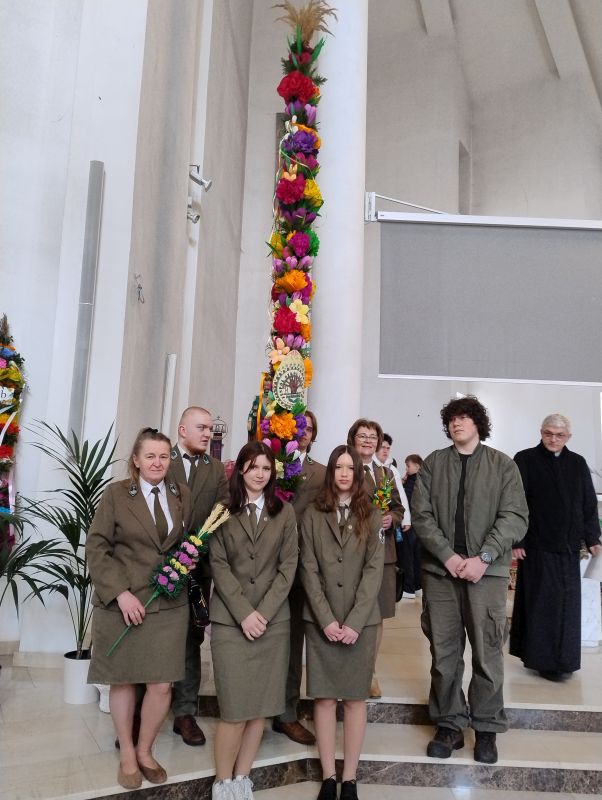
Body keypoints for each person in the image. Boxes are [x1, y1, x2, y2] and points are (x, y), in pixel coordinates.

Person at [412, 396, 528, 765]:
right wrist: (447, 555)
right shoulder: (433, 464)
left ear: (478, 423)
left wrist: (485, 557)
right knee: (444, 653)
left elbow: (514, 517)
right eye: (452, 419)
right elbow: (421, 515)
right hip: (440, 573)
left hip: (486, 574)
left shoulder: (502, 466)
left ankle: (487, 727)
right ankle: (449, 724)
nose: (456, 424)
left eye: (464, 417)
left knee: (487, 652)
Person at [87, 428, 191, 790]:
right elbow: (97, 547)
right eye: (150, 456)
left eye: (163, 456)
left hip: (168, 603)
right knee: (125, 679)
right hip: (126, 603)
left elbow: (183, 543)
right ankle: (128, 754)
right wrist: (120, 593)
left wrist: (186, 561)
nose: (158, 463)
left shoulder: (181, 494)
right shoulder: (117, 494)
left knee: (162, 685)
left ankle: (145, 750)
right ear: (136, 459)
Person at [209, 441, 298, 800]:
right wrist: (245, 613)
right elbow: (218, 565)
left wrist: (263, 613)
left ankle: (242, 777)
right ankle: (222, 782)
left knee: (259, 707)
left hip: (272, 622)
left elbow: (288, 566)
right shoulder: (222, 510)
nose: (260, 473)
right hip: (231, 621)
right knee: (234, 709)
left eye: (266, 468)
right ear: (241, 469)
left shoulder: (284, 512)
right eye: (253, 466)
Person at [300, 445, 384, 800]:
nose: (345, 473)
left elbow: (373, 570)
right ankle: (328, 776)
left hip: (359, 623)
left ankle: (349, 778)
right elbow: (308, 568)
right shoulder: (312, 514)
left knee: (353, 700)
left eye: (351, 467)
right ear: (331, 472)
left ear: (358, 473)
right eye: (339, 467)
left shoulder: (371, 514)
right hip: (322, 621)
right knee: (323, 699)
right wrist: (326, 619)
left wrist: (354, 622)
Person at [510, 413, 602, 680]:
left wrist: (593, 538)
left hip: (568, 548)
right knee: (541, 605)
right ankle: (543, 661)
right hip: (536, 547)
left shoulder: (578, 463)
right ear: (541, 432)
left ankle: (565, 661)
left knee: (567, 606)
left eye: (559, 435)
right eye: (548, 433)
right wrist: (517, 539)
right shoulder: (525, 459)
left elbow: (587, 503)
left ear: (568, 437)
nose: (553, 439)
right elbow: (515, 502)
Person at [169, 406, 229, 746]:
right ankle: (143, 709)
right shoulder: (162, 461)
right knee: (157, 633)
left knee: (192, 637)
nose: (208, 433)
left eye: (209, 428)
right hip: (162, 567)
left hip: (197, 570)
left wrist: (196, 550)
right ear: (182, 429)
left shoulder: (216, 470)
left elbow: (221, 513)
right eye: (201, 427)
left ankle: (184, 712)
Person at [273, 409, 324, 745]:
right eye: (299, 425)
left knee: (293, 643)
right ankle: (256, 705)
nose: (303, 432)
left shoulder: (322, 473)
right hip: (267, 566)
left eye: (309, 428)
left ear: (314, 435)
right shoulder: (271, 464)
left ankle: (287, 713)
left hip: (303, 569)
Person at [347, 419, 404, 698]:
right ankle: (348, 671)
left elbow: (399, 508)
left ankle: (369, 672)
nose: (368, 440)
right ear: (352, 439)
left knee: (377, 614)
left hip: (383, 554)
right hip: (352, 551)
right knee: (350, 610)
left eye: (373, 436)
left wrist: (391, 518)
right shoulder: (345, 468)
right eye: (363, 436)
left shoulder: (386, 473)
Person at [399, 454, 423, 598]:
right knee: (417, 557)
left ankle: (408, 589)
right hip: (420, 526)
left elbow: (405, 503)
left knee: (407, 556)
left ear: (417, 466)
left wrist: (401, 486)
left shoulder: (411, 484)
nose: (406, 469)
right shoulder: (424, 482)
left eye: (408, 466)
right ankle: (418, 586)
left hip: (409, 525)